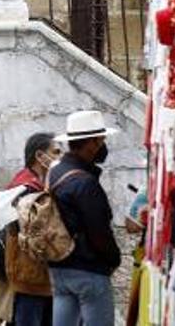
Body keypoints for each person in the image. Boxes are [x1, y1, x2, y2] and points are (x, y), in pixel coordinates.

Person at [46, 110, 122, 326]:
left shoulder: (55, 172)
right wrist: (113, 259)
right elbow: (99, 231)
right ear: (91, 143)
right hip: (89, 270)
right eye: (100, 140)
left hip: (59, 268)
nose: (103, 146)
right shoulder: (85, 183)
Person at [4, 133, 60, 326]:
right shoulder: (26, 188)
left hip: (38, 278)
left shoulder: (39, 184)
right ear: (39, 156)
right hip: (31, 277)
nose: (60, 158)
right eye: (56, 152)